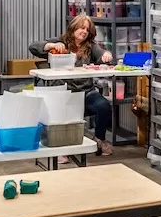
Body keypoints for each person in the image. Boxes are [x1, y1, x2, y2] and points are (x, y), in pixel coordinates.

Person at [36, 13, 116, 155]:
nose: (84, 32)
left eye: (87, 30)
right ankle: (61, 148)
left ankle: (99, 141)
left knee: (103, 106)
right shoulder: (61, 41)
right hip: (63, 94)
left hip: (86, 92)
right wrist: (52, 45)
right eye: (82, 28)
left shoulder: (90, 46)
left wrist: (106, 54)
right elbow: (34, 47)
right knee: (57, 109)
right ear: (73, 28)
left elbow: (102, 53)